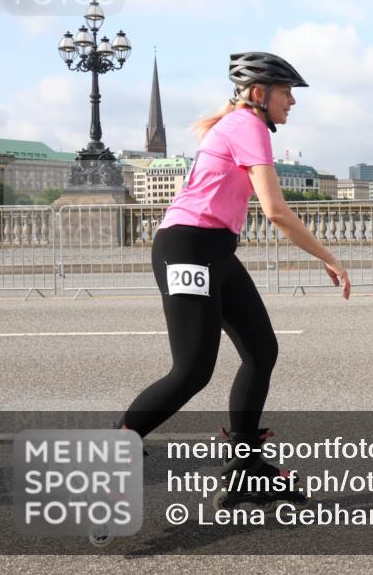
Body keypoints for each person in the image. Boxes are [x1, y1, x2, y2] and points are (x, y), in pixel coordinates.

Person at [116, 52, 351, 507]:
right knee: (192, 371)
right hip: (189, 247)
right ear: (259, 94)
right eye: (286, 92)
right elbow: (276, 212)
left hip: (215, 250)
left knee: (262, 350)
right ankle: (113, 447)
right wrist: (329, 257)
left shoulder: (241, 124)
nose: (292, 102)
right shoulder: (248, 126)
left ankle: (246, 468)